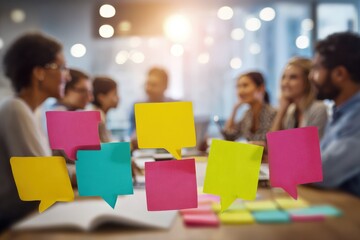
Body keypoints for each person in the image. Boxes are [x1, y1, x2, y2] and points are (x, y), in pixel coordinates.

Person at [0, 32, 70, 231]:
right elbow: (45, 183)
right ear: (39, 72)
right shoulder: (15, 109)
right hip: (14, 224)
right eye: (62, 67)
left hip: (31, 217)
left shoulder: (33, 112)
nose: (68, 75)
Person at [310, 32, 360, 197]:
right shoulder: (342, 112)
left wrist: (277, 157)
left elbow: (323, 172)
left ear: (339, 74)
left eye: (317, 69)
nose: (311, 77)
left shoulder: (356, 116)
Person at [271, 57, 328, 138]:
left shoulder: (318, 108)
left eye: (293, 77)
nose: (285, 83)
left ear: (307, 81)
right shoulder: (291, 111)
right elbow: (274, 143)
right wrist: (282, 111)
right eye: (284, 77)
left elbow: (313, 148)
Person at [222, 71, 276, 142]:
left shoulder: (273, 113)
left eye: (245, 85)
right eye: (238, 87)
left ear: (261, 88)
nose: (240, 91)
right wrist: (234, 110)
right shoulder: (247, 115)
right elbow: (229, 137)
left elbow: (275, 143)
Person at [129, 67, 174, 149]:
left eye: (153, 85)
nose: (148, 88)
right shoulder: (137, 106)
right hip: (144, 154)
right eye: (147, 84)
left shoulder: (175, 107)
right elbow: (132, 134)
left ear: (165, 86)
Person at [90, 76, 119, 142]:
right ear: (101, 97)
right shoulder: (98, 115)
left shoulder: (101, 114)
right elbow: (106, 144)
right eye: (115, 94)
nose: (118, 98)